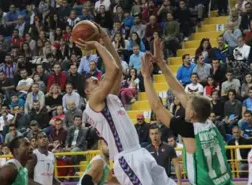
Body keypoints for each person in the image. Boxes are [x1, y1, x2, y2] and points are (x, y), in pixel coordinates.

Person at [75, 23, 176, 185]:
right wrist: (96, 44)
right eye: (93, 81)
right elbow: (113, 70)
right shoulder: (93, 102)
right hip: (126, 157)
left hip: (139, 152)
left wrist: (105, 38)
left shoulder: (110, 97)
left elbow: (119, 69)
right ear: (87, 92)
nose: (97, 79)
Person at [142, 39, 233, 185]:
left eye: (188, 106)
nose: (185, 104)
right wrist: (161, 63)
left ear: (192, 114)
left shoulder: (188, 129)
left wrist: (146, 77)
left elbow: (156, 107)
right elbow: (180, 92)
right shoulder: (209, 124)